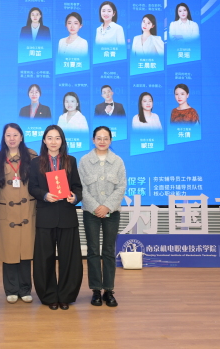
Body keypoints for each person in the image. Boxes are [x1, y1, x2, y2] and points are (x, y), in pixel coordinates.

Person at [28, 125, 83, 310]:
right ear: (44, 140)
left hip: (67, 216)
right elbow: (32, 187)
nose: (53, 142)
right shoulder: (36, 162)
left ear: (62, 141)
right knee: (45, 259)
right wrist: (44, 195)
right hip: (45, 216)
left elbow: (77, 187)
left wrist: (74, 197)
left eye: (57, 138)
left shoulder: (70, 161)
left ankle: (66, 295)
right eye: (50, 138)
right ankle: (49, 296)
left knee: (69, 258)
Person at [79, 126, 127, 308]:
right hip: (90, 212)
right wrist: (95, 207)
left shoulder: (118, 161)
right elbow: (81, 187)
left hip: (112, 212)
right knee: (93, 251)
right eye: (98, 138)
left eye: (105, 138)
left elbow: (121, 187)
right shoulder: (84, 161)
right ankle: (96, 290)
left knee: (108, 250)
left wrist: (107, 206)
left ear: (110, 141)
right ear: (93, 140)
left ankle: (108, 290)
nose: (102, 141)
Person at [0, 124, 38, 304]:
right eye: (8, 135)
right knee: (9, 252)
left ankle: (25, 289)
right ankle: (10, 289)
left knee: (26, 251)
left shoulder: (32, 156)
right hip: (6, 211)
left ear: (21, 137)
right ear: (4, 138)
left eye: (15, 135)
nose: (12, 138)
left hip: (28, 210)